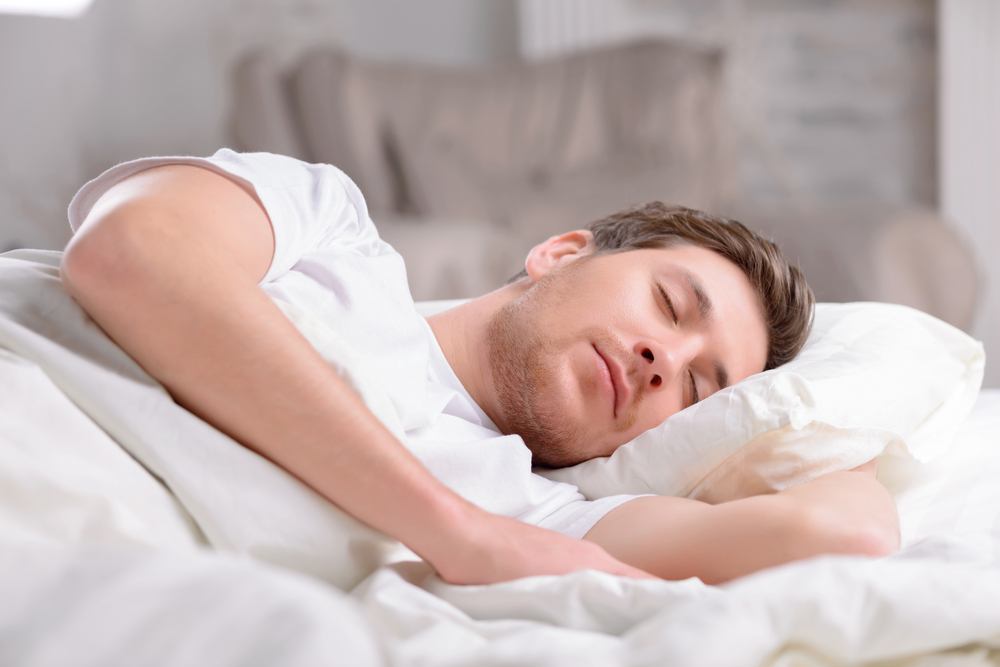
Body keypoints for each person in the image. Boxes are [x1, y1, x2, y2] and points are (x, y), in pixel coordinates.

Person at [60, 150, 899, 586]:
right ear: (561, 251)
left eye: (697, 385)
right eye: (671, 306)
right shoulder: (326, 230)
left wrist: (837, 414)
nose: (661, 360)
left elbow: (841, 535)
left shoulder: (541, 515)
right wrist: (451, 530)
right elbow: (127, 251)